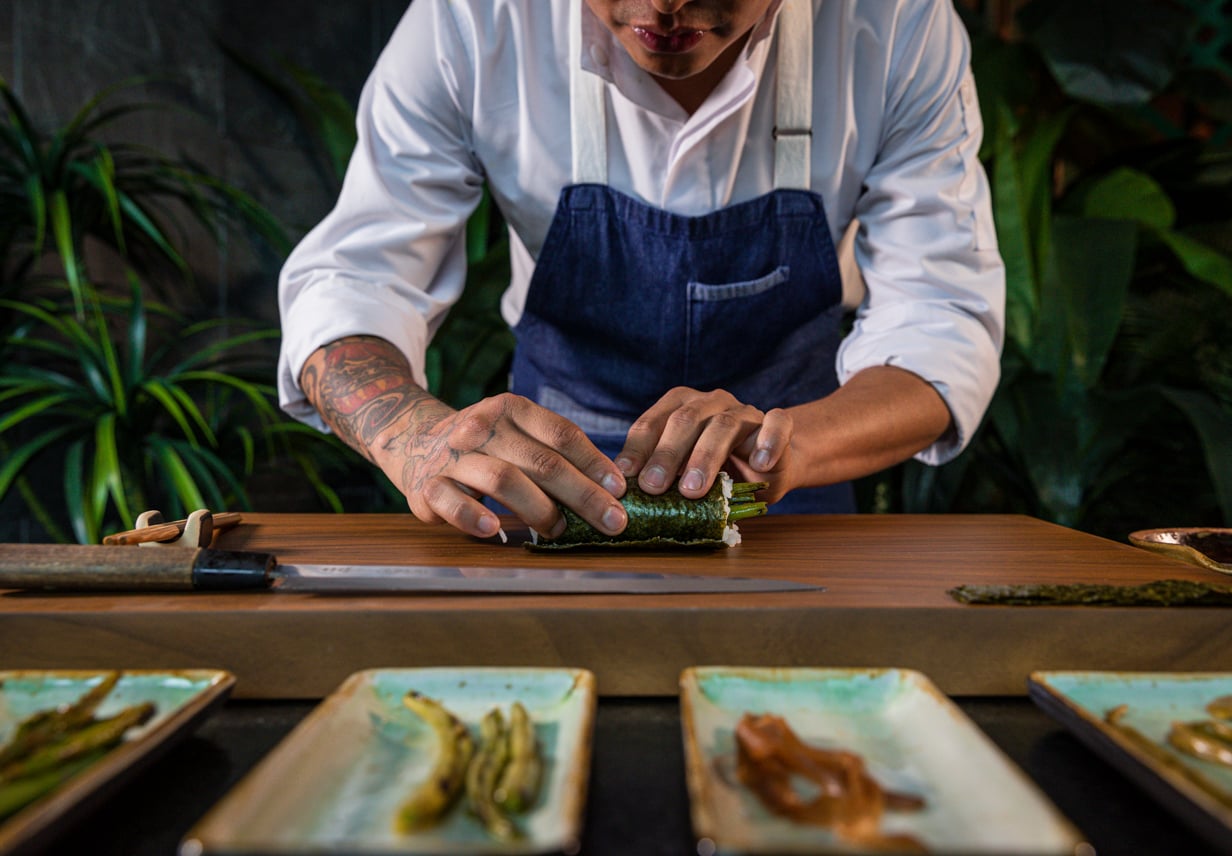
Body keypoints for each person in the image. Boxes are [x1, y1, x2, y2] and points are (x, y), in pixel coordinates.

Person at [277, 0, 1004, 542]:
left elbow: (943, 318)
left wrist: (793, 445)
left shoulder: (898, 23)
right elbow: (357, 279)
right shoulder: (472, 20)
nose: (665, 4)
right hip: (544, 499)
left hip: (785, 499)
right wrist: (413, 434)